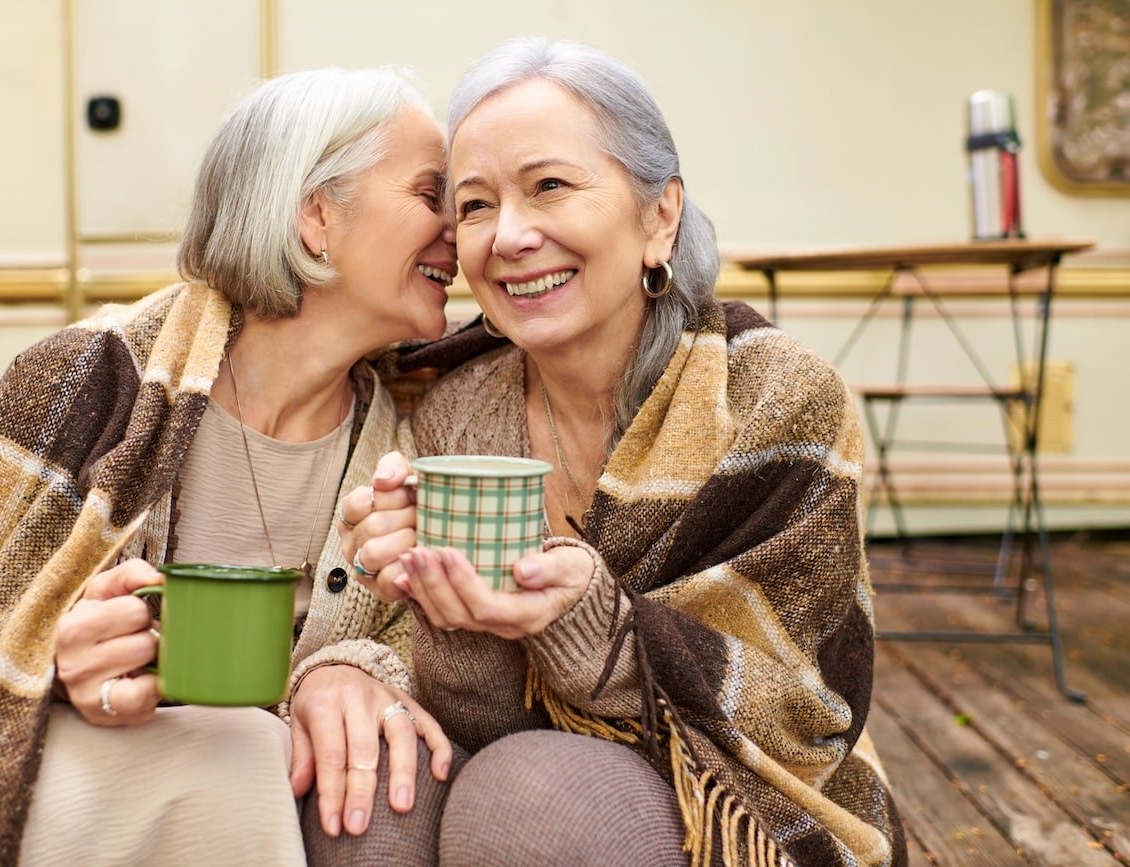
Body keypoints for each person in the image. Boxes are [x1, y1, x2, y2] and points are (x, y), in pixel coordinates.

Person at [0, 66, 458, 865]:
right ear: (315, 217)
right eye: (429, 194)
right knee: (241, 753)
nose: (459, 230)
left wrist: (352, 664)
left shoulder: (414, 436)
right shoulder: (83, 381)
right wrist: (48, 659)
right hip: (50, 780)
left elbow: (431, 641)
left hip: (247, 797)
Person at [337, 38, 907, 866]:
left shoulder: (772, 397)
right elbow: (479, 727)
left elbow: (798, 715)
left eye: (550, 187)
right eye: (475, 206)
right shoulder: (459, 411)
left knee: (534, 793)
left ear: (659, 216)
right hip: (517, 769)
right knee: (367, 798)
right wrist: (449, 610)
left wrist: (593, 631)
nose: (510, 236)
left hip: (738, 791)